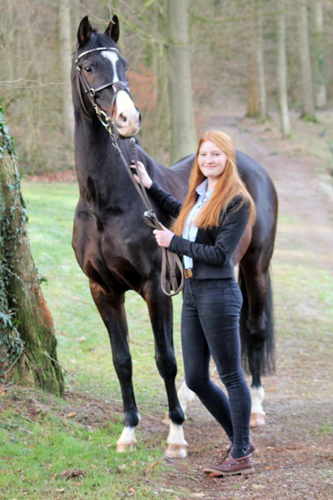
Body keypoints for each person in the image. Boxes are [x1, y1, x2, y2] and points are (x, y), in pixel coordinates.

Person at [132, 130, 256, 477]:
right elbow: (181, 214)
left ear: (227, 158)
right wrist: (150, 185)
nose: (208, 161)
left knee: (231, 375)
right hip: (192, 294)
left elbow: (220, 255)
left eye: (216, 155)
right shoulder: (200, 195)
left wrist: (172, 243)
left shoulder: (237, 201)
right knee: (198, 379)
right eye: (204, 155)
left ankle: (242, 452)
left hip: (218, 293)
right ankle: (240, 441)